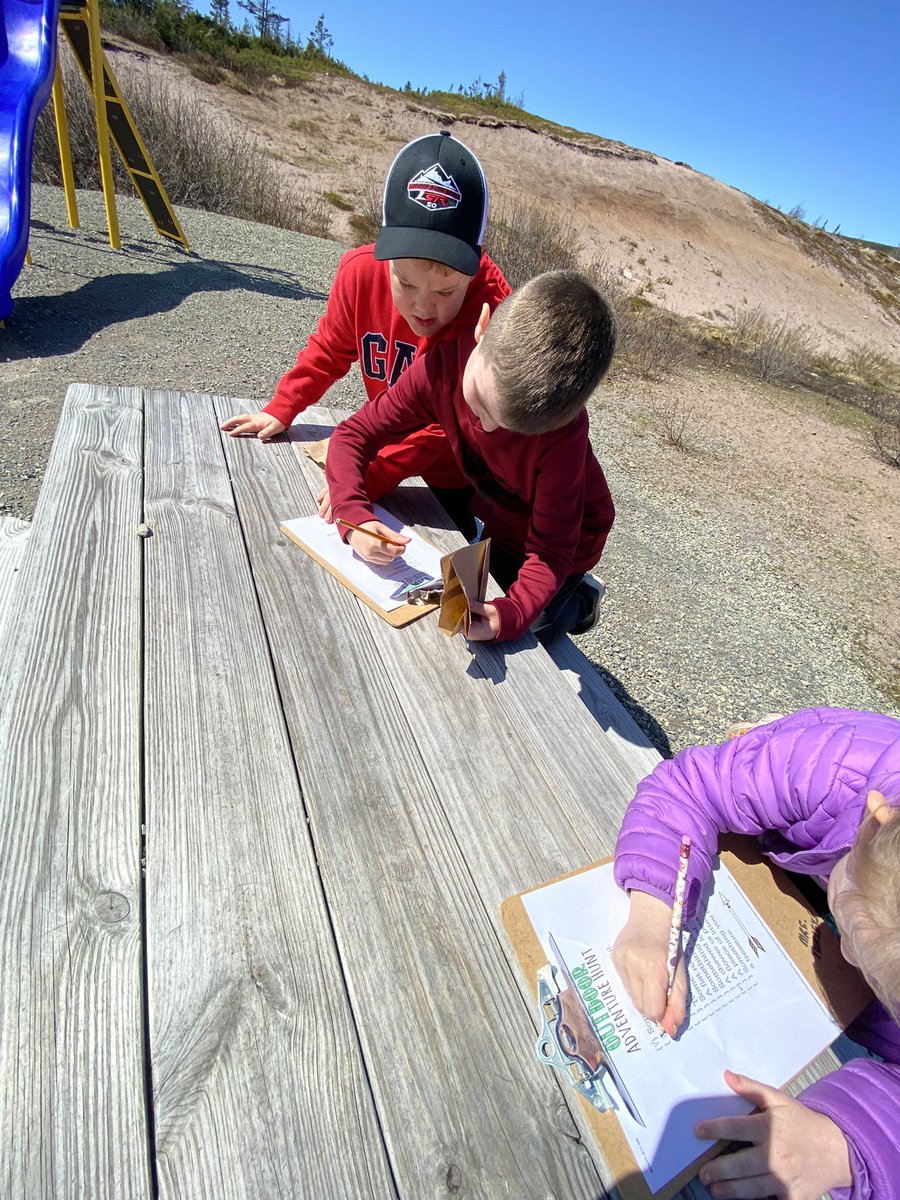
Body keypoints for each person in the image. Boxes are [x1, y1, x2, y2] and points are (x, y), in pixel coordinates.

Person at [611, 707, 900, 1200]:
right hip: (795, 765)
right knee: (764, 762)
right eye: (854, 938)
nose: (843, 956)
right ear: (874, 821)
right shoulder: (831, 766)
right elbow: (686, 787)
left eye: (871, 971)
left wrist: (847, 1147)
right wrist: (656, 913)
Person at [220, 131, 510, 533]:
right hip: (386, 443)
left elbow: (447, 422)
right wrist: (282, 406)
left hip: (460, 471)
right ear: (385, 251)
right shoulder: (359, 273)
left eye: (445, 291)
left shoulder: (492, 311)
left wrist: (370, 475)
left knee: (465, 553)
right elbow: (330, 349)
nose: (424, 307)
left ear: (474, 266)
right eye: (406, 285)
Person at [324, 269, 617, 645]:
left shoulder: (563, 439)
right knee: (489, 595)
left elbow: (550, 552)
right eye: (478, 402)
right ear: (482, 327)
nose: (487, 427)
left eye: (511, 426)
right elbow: (353, 434)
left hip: (571, 540)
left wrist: (508, 616)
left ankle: (581, 603)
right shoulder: (442, 368)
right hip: (504, 517)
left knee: (537, 635)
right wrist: (353, 516)